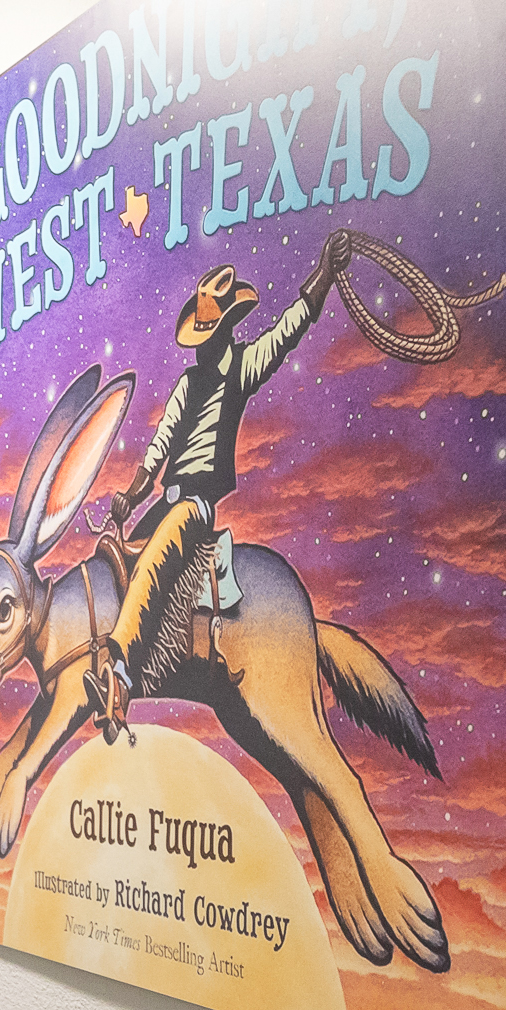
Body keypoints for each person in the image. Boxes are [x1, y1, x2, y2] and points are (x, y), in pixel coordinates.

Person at [103, 230, 350, 696]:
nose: (200, 346)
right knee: (119, 562)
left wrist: (324, 274)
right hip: (165, 502)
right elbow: (159, 447)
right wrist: (131, 497)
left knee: (154, 562)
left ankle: (121, 670)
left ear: (224, 331)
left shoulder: (242, 367)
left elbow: (287, 331)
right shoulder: (187, 384)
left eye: (207, 335)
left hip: (195, 506)